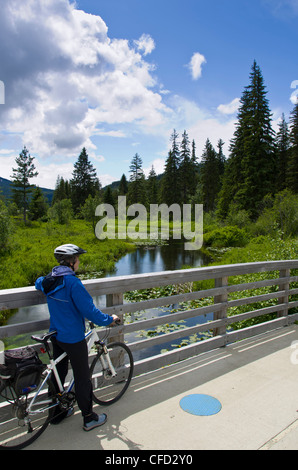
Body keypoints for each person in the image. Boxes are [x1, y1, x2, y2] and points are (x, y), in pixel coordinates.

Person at [35, 243, 119, 431]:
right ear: (71, 262)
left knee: (59, 375)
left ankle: (57, 414)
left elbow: (38, 283)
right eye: (78, 259)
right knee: (82, 378)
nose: (79, 262)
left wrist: (47, 278)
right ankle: (89, 418)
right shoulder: (73, 283)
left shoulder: (49, 280)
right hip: (73, 338)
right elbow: (90, 311)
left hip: (56, 335)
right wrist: (109, 320)